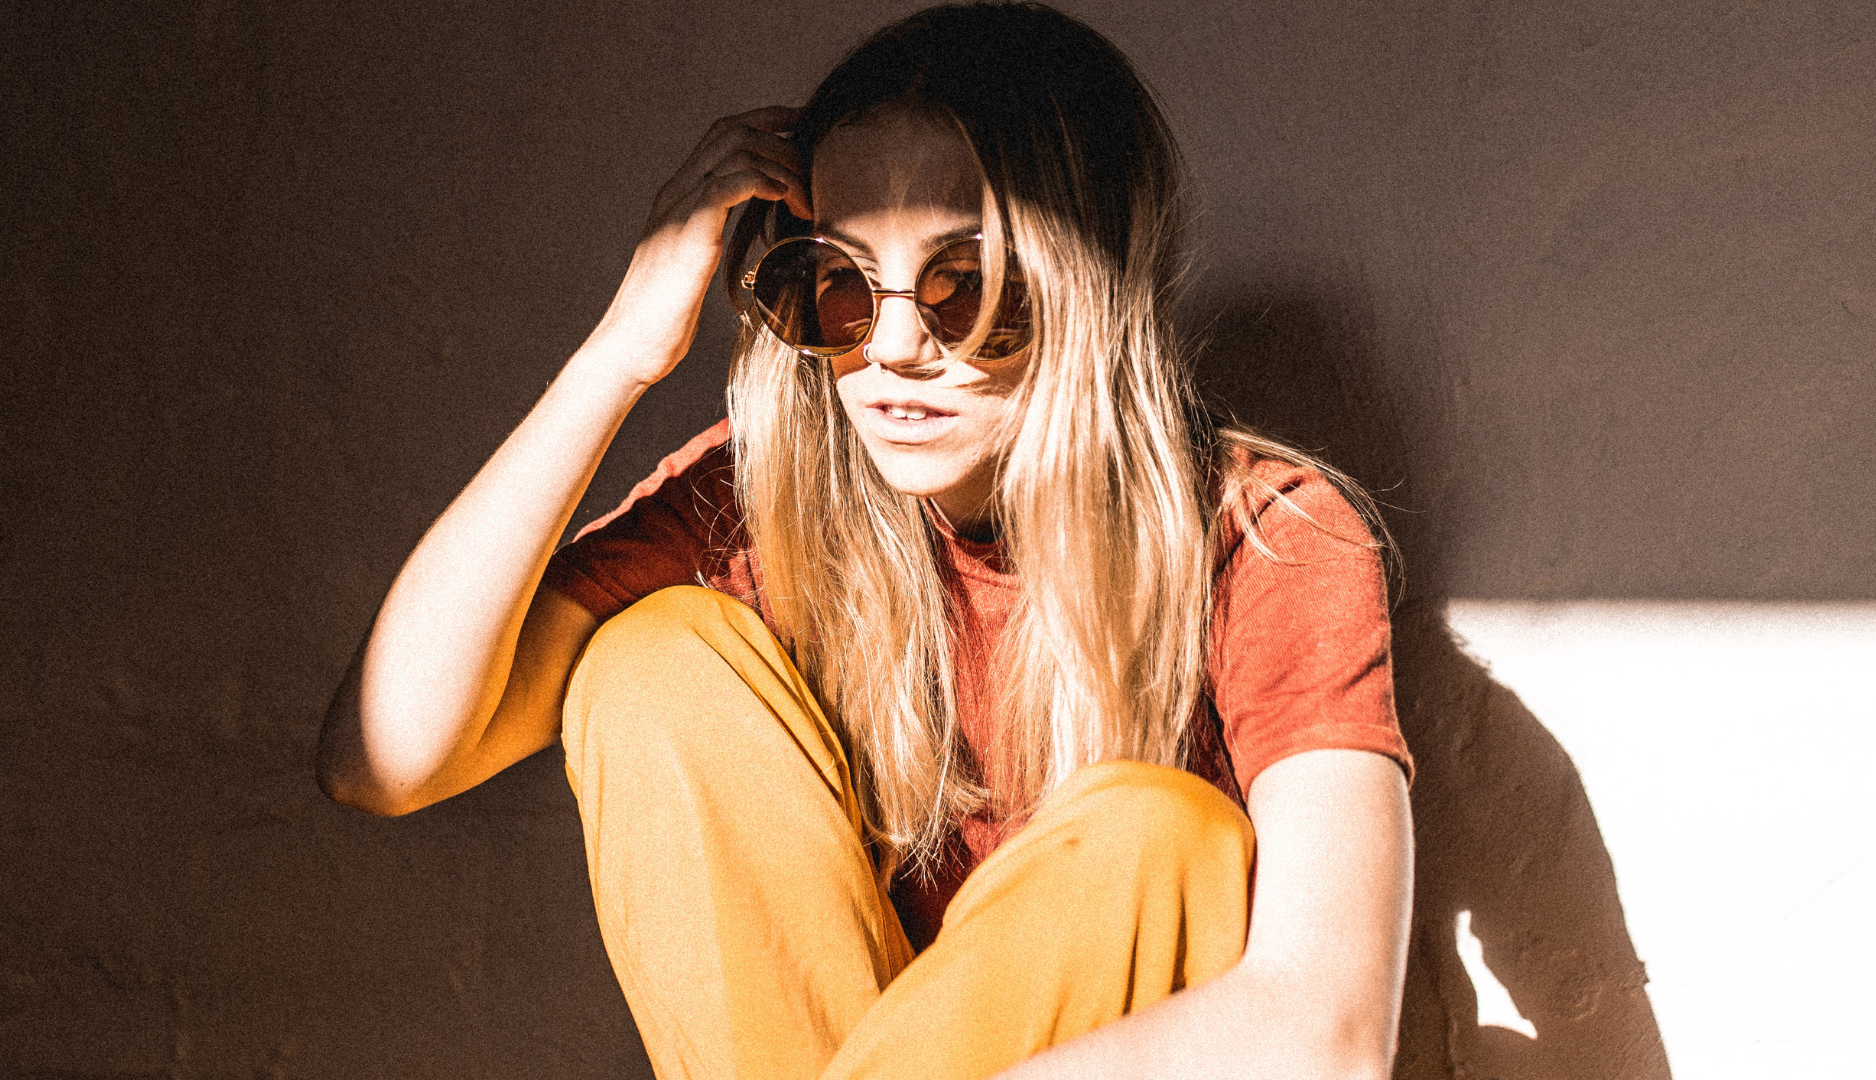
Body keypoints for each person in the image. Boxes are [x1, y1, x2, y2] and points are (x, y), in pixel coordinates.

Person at [316, 4, 1414, 1078]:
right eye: (836, 286)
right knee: (652, 665)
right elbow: (385, 758)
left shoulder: (1266, 537)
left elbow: (1328, 1034)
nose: (889, 348)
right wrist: (623, 348)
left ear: (1090, 288)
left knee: (1156, 835)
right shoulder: (770, 501)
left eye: (963, 285)